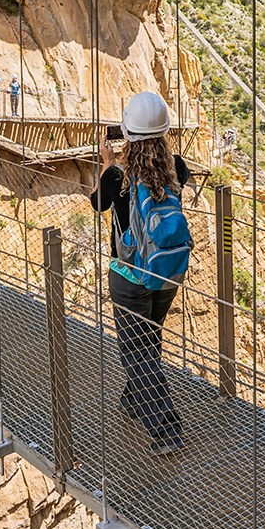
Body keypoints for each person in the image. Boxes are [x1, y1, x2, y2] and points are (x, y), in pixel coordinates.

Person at [89, 91, 192, 457]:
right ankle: (135, 401)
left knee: (135, 350)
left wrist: (106, 162)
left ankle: (166, 430)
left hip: (130, 275)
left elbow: (98, 203)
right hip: (168, 272)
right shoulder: (177, 166)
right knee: (150, 337)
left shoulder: (118, 175)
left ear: (127, 133)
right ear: (164, 133)